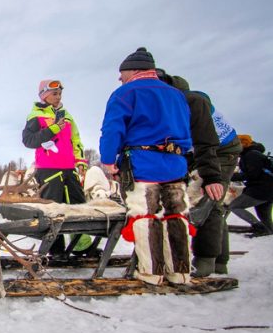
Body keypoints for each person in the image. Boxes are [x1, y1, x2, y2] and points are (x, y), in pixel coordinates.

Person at [99, 47, 193, 285]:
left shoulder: (125, 93)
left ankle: (152, 272)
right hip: (175, 165)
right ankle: (180, 272)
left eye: (122, 74)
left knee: (145, 215)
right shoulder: (176, 94)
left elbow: (113, 129)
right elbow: (186, 129)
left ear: (133, 71)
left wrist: (109, 160)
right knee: (176, 215)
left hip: (143, 164)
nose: (120, 79)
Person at [157, 70, 240, 276]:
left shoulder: (192, 102)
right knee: (214, 205)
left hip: (220, 152)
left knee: (206, 201)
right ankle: (219, 260)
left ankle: (205, 259)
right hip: (203, 153)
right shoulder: (171, 103)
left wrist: (211, 177)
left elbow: (205, 143)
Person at [22, 79, 93, 258]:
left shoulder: (67, 116)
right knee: (53, 211)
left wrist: (80, 160)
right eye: (54, 93)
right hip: (49, 170)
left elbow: (75, 139)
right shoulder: (35, 116)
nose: (58, 96)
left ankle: (81, 246)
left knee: (79, 207)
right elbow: (28, 141)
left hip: (69, 168)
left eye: (60, 93)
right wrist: (53, 128)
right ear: (44, 95)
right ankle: (56, 251)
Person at [228, 135, 273, 236]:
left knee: (235, 206)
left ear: (243, 144)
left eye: (235, 144)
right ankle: (267, 232)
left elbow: (252, 174)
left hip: (260, 190)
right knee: (265, 218)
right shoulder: (253, 153)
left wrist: (230, 176)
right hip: (268, 190)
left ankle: (259, 227)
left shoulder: (251, 155)